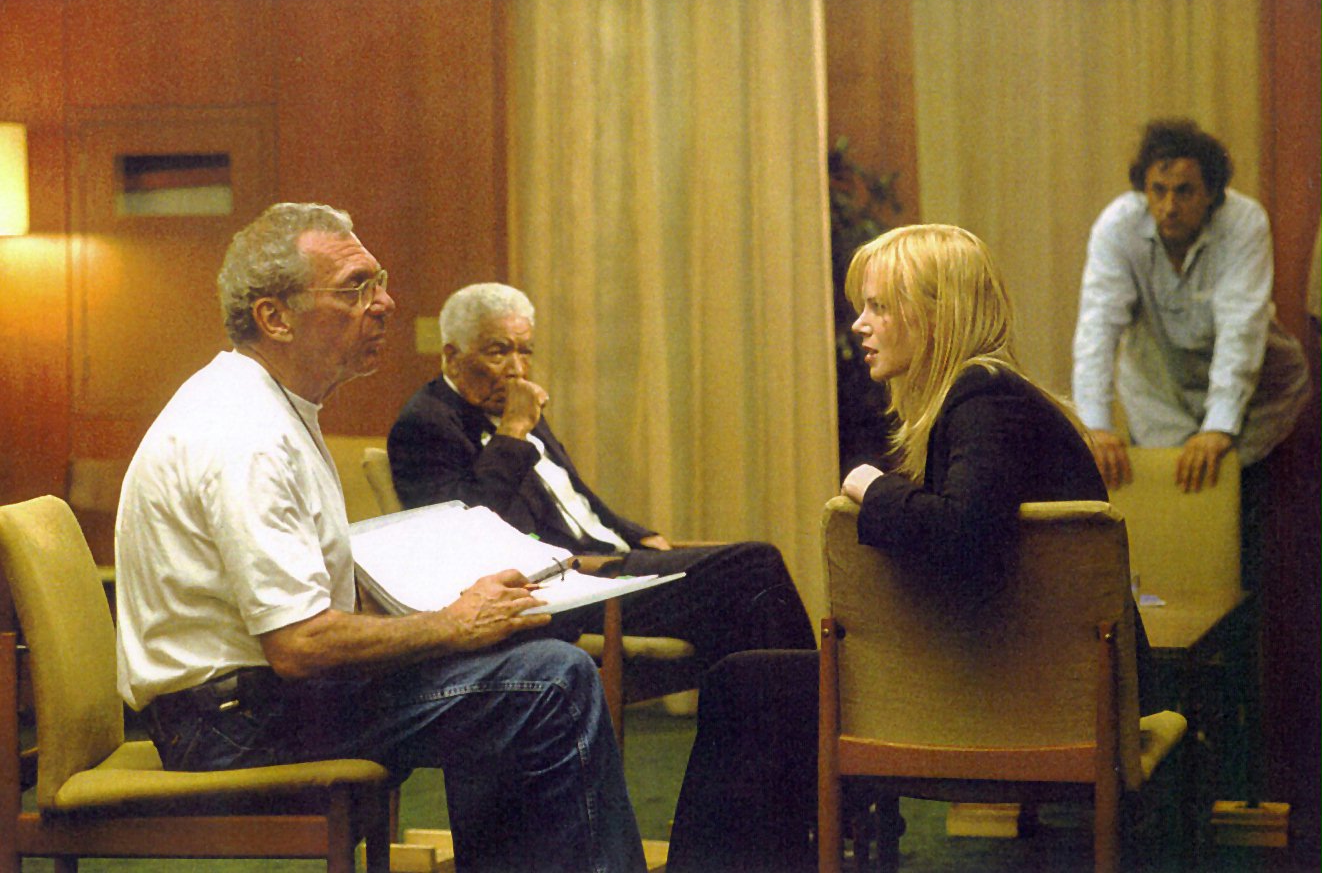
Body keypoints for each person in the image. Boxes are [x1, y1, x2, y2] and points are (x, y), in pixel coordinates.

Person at [115, 203, 646, 872]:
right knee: (550, 684)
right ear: (274, 317)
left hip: (251, 702)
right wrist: (452, 623)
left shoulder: (268, 404)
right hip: (232, 724)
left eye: (381, 281)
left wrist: (457, 615)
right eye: (356, 288)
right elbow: (299, 644)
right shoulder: (243, 433)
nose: (386, 303)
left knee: (529, 649)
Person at [666, 224, 1139, 872]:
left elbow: (963, 536)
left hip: (1015, 697)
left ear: (941, 315)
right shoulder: (989, 399)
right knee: (759, 681)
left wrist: (870, 485)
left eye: (879, 307)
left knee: (744, 685)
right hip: (1032, 681)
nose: (859, 325)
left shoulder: (983, 399)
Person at [387, 282, 817, 676]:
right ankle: (808, 731)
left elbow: (577, 500)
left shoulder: (513, 405)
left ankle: (771, 739)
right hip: (565, 587)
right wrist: (514, 430)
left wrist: (638, 534)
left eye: (526, 351)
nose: (517, 369)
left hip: (609, 567)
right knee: (753, 567)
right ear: (451, 356)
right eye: (498, 352)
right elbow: (469, 534)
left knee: (747, 609)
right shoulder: (426, 424)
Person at [1072, 118, 1309, 498]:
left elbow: (1241, 329)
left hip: (1255, 396)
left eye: (1184, 192)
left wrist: (1218, 427)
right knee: (1173, 515)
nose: (1169, 207)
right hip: (1161, 392)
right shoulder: (1117, 227)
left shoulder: (1244, 222)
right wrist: (1096, 426)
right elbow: (1097, 328)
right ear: (1143, 190)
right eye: (1158, 191)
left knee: (1238, 516)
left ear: (1212, 192)